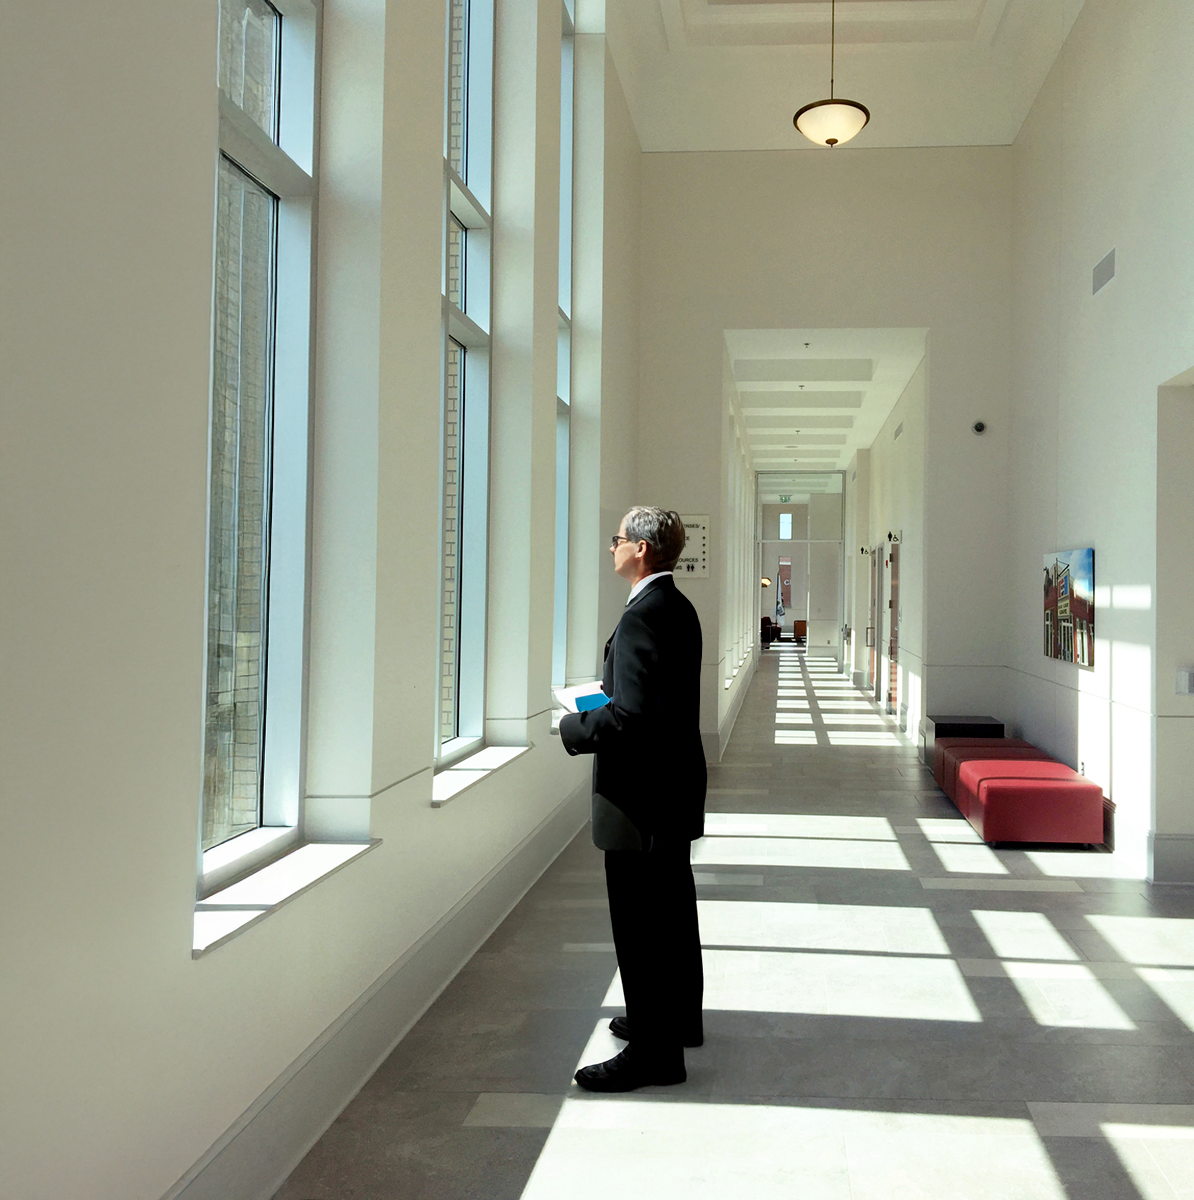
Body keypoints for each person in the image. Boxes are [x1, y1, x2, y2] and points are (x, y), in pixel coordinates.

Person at [558, 506, 707, 1092]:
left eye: (616, 539)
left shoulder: (645, 614)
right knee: (671, 912)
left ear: (641, 549)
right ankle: (676, 1022)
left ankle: (655, 1053)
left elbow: (631, 719)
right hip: (670, 788)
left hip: (640, 797)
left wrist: (573, 725)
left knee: (642, 924)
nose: (611, 547)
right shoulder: (677, 606)